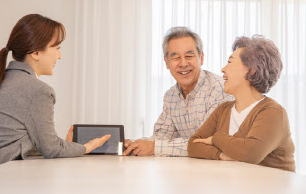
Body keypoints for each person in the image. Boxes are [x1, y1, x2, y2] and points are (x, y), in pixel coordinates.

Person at [0, 14, 110, 174]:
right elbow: (51, 149)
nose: (59, 56)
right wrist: (87, 147)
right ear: (35, 53)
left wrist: (65, 147)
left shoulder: (2, 80)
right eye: (56, 48)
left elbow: (22, 143)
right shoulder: (38, 90)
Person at [187, 35, 295, 172]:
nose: (223, 69)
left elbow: (249, 153)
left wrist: (216, 138)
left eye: (230, 62)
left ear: (252, 69)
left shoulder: (273, 112)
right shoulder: (223, 110)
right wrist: (220, 155)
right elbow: (193, 145)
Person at [123, 27, 232, 156]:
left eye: (189, 56)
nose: (183, 63)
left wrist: (154, 147)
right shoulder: (171, 96)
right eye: (176, 58)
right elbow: (162, 138)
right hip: (190, 168)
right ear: (167, 62)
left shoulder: (219, 90)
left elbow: (206, 142)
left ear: (201, 58)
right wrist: (134, 144)